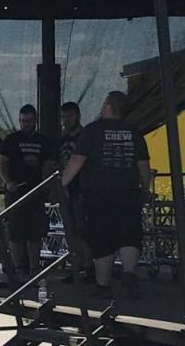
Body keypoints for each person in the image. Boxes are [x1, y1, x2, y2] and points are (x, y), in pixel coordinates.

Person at [61, 91, 150, 299]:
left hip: (98, 193)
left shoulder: (93, 130)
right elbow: (143, 165)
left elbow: (77, 160)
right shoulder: (134, 131)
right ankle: (129, 272)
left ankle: (103, 285)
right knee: (129, 235)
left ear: (109, 105)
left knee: (102, 239)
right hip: (128, 192)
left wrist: (61, 183)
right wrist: (146, 189)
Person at [0, 104, 55, 279]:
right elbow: (2, 163)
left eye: (29, 121)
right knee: (15, 232)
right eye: (23, 121)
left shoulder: (43, 141)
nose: (26, 124)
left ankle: (34, 268)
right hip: (16, 191)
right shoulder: (11, 140)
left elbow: (48, 164)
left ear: (35, 120)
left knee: (35, 233)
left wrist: (47, 185)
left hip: (36, 192)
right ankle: (19, 268)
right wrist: (8, 182)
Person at [57, 101, 94, 284]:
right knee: (71, 232)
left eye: (69, 116)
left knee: (83, 231)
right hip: (67, 189)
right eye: (63, 117)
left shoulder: (85, 136)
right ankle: (76, 267)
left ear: (77, 116)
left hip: (83, 188)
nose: (66, 120)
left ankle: (88, 268)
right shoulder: (62, 139)